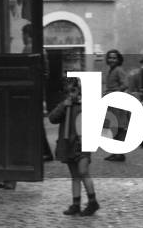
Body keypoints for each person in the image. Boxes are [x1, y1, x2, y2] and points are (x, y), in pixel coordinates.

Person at [48, 78, 100, 217]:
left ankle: (93, 202)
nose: (71, 94)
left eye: (74, 90)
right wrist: (64, 106)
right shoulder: (65, 106)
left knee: (83, 172)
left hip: (82, 145)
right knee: (75, 176)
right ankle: (75, 204)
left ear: (80, 91)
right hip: (68, 145)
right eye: (68, 91)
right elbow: (52, 118)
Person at [22, 24, 53, 162]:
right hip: (39, 91)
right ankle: (44, 152)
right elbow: (46, 74)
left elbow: (24, 71)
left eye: (23, 34)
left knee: (33, 123)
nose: (22, 38)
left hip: (31, 91)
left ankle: (41, 152)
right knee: (37, 122)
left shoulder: (29, 48)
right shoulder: (42, 50)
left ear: (27, 35)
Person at [102, 48, 129, 162]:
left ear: (118, 59)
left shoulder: (119, 70)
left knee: (120, 127)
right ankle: (115, 152)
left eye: (114, 58)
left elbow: (125, 84)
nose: (112, 60)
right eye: (110, 57)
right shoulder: (110, 70)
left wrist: (115, 92)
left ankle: (120, 153)